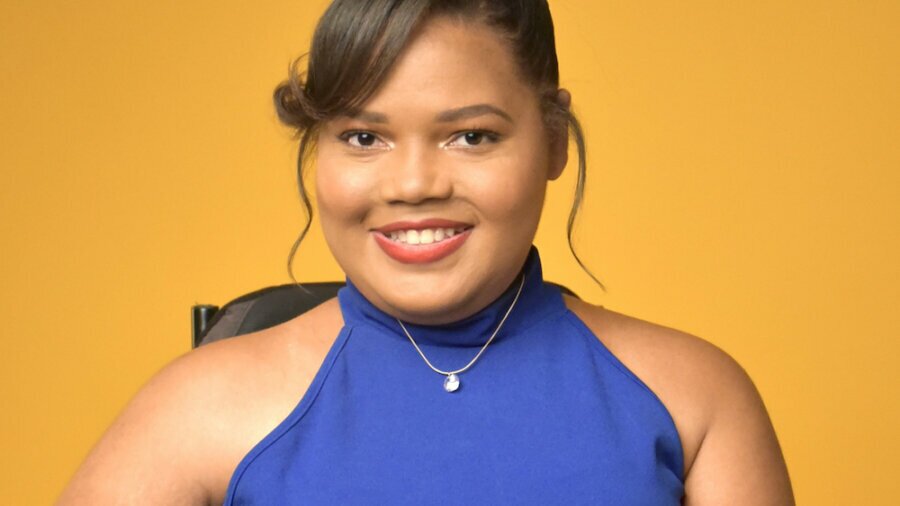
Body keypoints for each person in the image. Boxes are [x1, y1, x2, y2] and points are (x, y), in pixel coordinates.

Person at [59, 1, 794, 504]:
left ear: (554, 143)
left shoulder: (697, 397)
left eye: (472, 135)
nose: (412, 184)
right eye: (363, 137)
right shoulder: (195, 407)